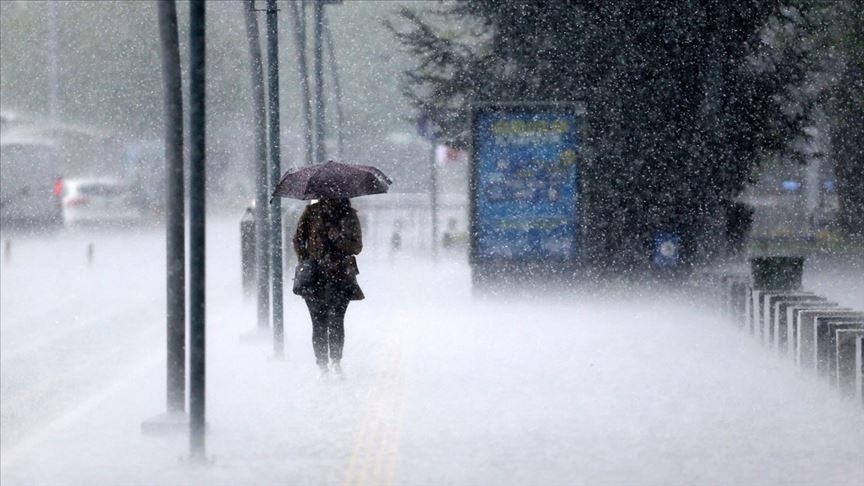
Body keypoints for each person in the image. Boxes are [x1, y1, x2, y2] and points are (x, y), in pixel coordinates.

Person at [293, 198, 364, 378]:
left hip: (340, 276)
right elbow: (298, 239)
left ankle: (336, 361)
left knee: (336, 321)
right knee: (318, 323)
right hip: (315, 277)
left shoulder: (349, 215)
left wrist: (338, 239)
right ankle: (323, 365)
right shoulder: (311, 213)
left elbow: (356, 247)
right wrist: (307, 259)